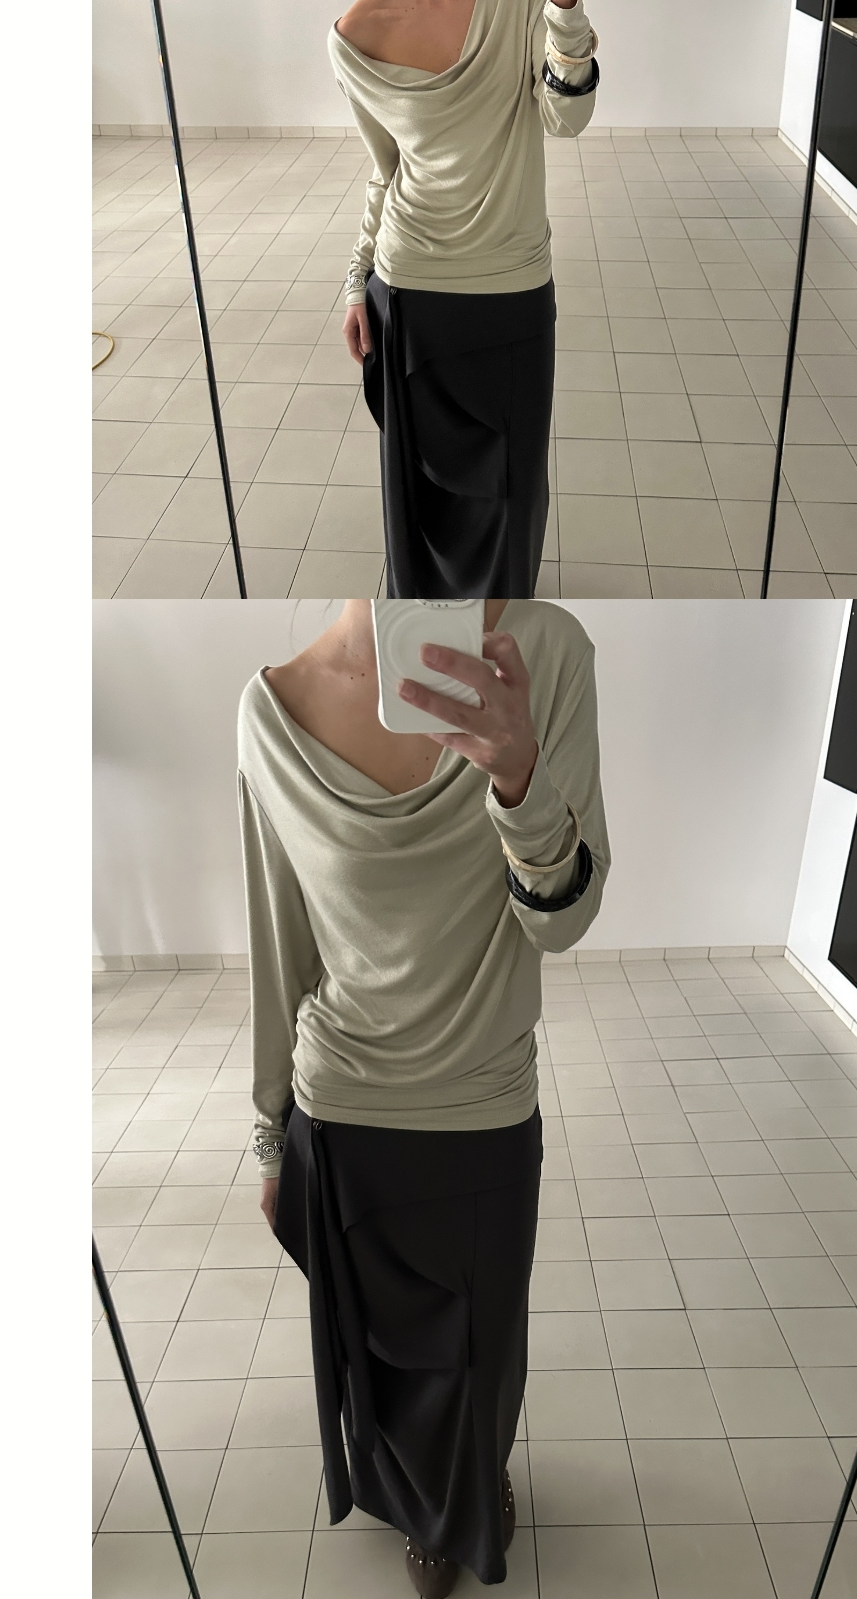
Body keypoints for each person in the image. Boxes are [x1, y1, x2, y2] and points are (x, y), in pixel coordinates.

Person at [239, 588, 610, 1592]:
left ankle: (464, 1499)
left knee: (478, 1358)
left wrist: (520, 779)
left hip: (480, 1107)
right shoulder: (272, 710)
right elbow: (280, 941)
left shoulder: (544, 651)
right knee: (375, 1352)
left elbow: (562, 923)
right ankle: (417, 1505)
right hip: (341, 1109)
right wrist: (270, 1135)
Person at [328, 0, 599, 600]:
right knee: (421, 505)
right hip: (410, 290)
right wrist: (355, 283)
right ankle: (418, 640)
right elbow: (386, 170)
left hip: (511, 284)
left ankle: (494, 640)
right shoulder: (354, 35)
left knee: (513, 501)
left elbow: (566, 118)